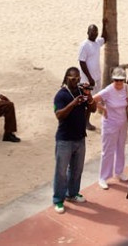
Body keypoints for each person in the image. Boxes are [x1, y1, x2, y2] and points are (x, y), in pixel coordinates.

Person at [51, 67, 97, 213]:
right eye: (72, 79)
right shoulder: (61, 95)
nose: (76, 81)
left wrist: (88, 96)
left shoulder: (80, 92)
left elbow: (94, 109)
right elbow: (59, 115)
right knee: (61, 172)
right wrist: (73, 103)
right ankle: (58, 200)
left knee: (77, 170)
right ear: (66, 78)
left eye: (78, 78)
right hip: (64, 140)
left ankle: (72, 194)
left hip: (80, 138)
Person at [93, 66, 128, 189]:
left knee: (121, 148)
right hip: (110, 124)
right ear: (113, 79)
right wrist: (103, 109)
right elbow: (93, 100)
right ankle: (103, 177)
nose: (119, 82)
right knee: (107, 151)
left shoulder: (126, 88)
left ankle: (119, 171)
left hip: (123, 123)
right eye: (116, 80)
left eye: (121, 80)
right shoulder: (108, 90)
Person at [77, 23, 106, 130]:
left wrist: (104, 23)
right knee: (87, 100)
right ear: (88, 32)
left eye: (95, 32)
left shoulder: (97, 43)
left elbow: (105, 38)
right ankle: (85, 122)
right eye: (92, 32)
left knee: (93, 99)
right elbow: (82, 62)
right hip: (87, 79)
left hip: (96, 77)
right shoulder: (85, 45)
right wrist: (89, 78)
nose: (94, 34)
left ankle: (85, 121)